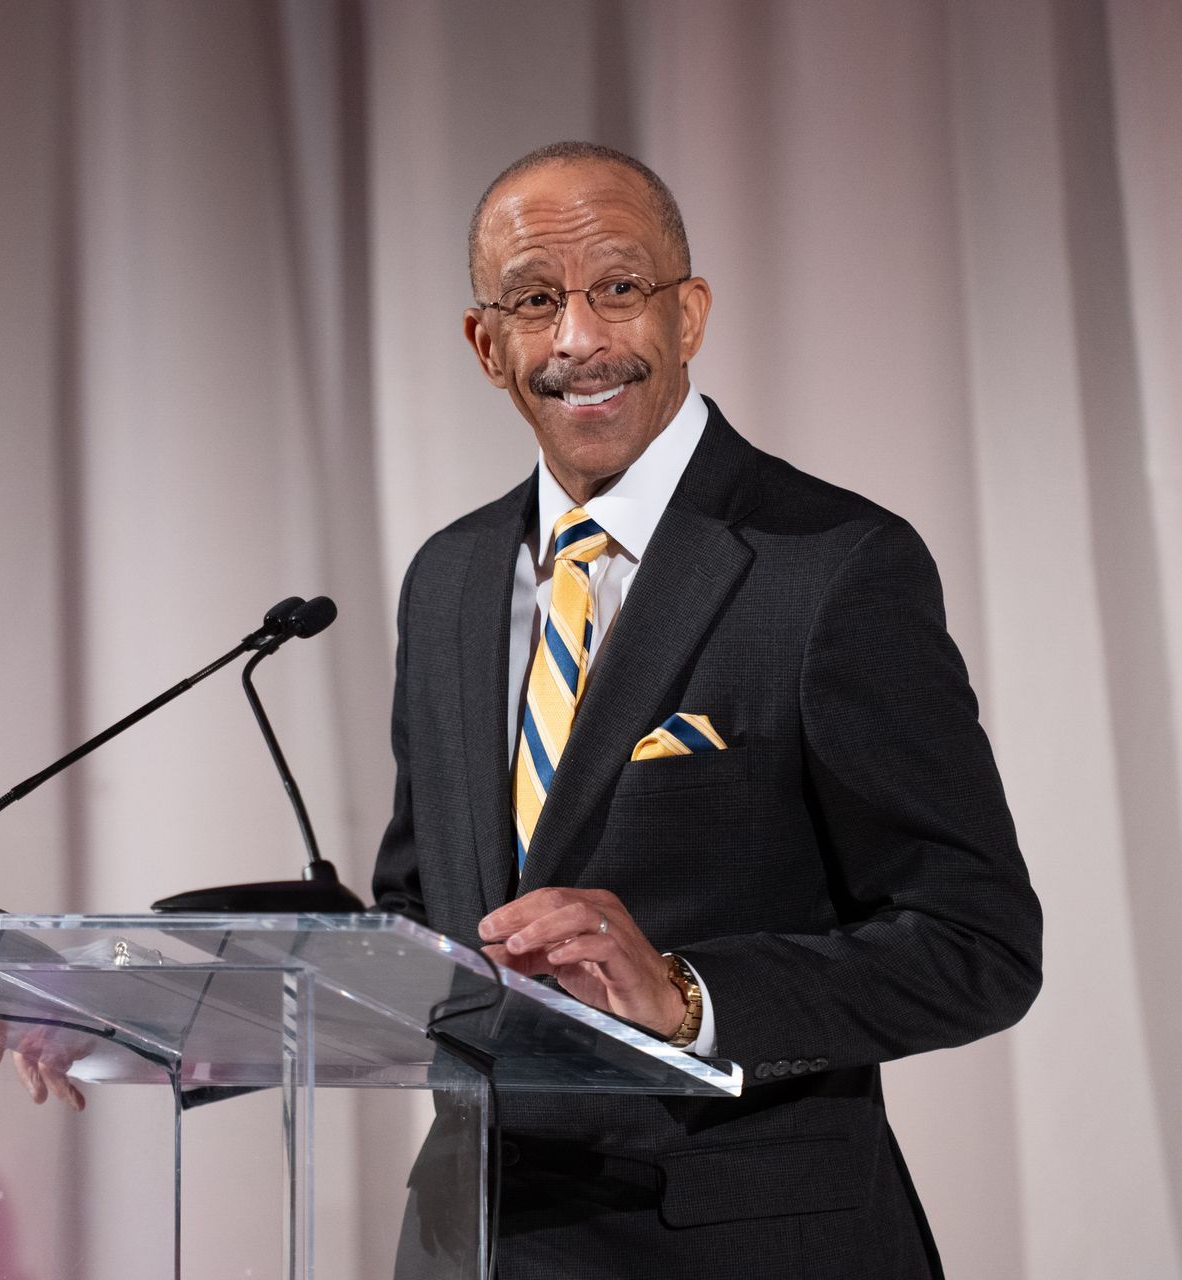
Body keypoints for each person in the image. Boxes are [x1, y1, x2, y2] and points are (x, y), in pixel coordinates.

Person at [369, 140, 1042, 1279]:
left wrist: (687, 996)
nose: (578, 338)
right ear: (487, 344)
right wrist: (160, 1019)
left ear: (688, 315)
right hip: (474, 1241)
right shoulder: (449, 576)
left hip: (742, 1244)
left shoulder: (830, 565)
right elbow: (421, 909)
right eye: (535, 301)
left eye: (618, 287)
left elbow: (977, 945)